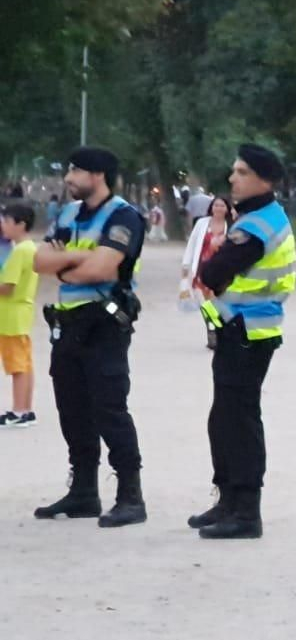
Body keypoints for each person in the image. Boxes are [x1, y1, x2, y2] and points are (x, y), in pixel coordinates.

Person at [30, 146, 147, 526]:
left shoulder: (124, 216)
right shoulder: (67, 214)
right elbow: (38, 260)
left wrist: (66, 263)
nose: (68, 178)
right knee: (72, 407)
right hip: (68, 322)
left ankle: (130, 496)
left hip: (104, 323)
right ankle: (83, 491)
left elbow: (103, 267)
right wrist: (77, 263)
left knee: (110, 407)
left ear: (97, 175)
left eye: (75, 171)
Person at [189, 144, 296, 539]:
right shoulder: (260, 216)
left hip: (248, 331)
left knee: (240, 419)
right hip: (241, 330)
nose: (232, 178)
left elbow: (212, 273)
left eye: (240, 172)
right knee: (224, 417)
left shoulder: (256, 225)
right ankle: (228, 500)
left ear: (262, 179)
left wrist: (214, 263)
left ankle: (246, 512)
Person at [0, 203, 40, 428]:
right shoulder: (29, 248)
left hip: (11, 315)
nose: (2, 226)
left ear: (20, 224)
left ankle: (19, 410)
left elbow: (8, 287)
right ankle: (25, 409)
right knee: (23, 363)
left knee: (17, 366)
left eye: (6, 221)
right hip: (19, 313)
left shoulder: (20, 251)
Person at [181, 196, 234, 349]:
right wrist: (186, 267)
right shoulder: (201, 224)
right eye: (216, 205)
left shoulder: (230, 227)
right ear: (211, 207)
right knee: (205, 305)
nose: (218, 208)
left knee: (218, 304)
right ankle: (212, 332)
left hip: (221, 273)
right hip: (201, 272)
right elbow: (192, 245)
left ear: (227, 209)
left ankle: (220, 332)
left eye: (222, 206)